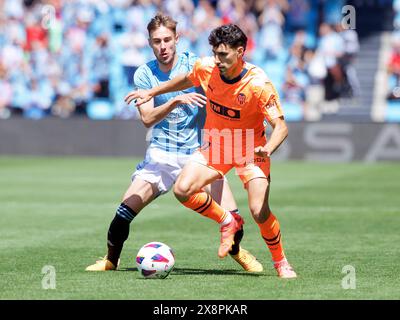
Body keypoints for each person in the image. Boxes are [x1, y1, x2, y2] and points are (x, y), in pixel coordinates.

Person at [86, 14, 262, 272]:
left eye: (167, 39)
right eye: (157, 41)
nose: (163, 46)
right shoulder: (145, 73)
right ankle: (111, 260)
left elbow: (227, 80)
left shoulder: (196, 65)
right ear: (149, 43)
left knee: (234, 218)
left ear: (177, 39)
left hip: (201, 155)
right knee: (123, 213)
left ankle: (238, 252)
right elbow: (147, 118)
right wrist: (173, 102)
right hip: (162, 155)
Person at [126, 23, 297, 278]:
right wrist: (152, 90)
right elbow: (185, 79)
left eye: (223, 55)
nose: (217, 60)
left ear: (240, 52)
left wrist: (268, 149)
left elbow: (280, 127)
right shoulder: (207, 67)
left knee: (259, 211)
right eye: (215, 53)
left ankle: (281, 261)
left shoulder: (259, 83)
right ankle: (228, 220)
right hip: (216, 145)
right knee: (182, 190)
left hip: (251, 150)